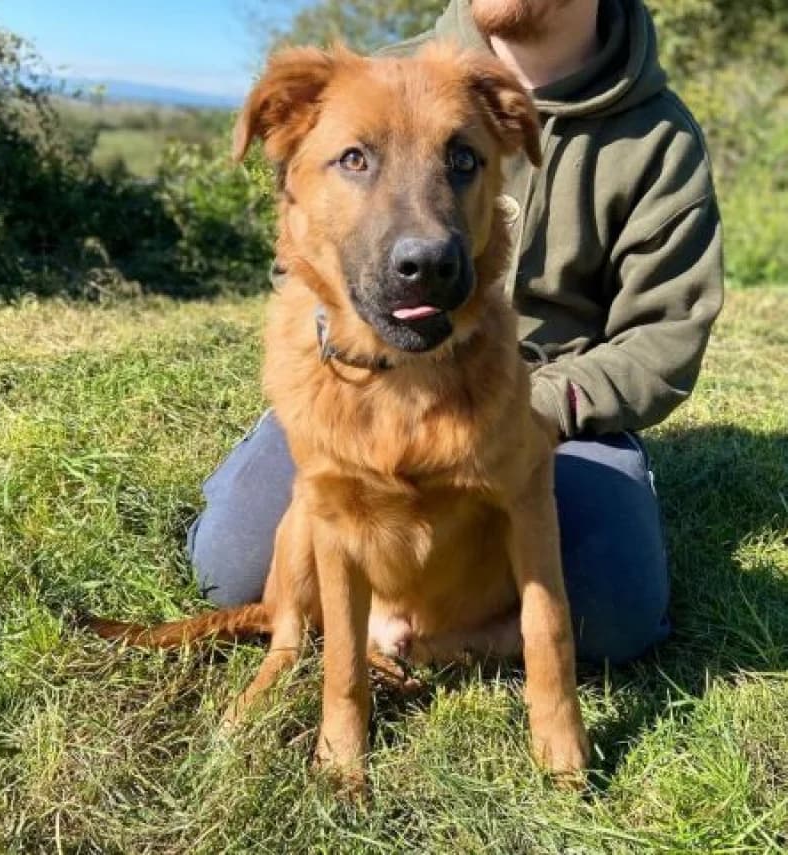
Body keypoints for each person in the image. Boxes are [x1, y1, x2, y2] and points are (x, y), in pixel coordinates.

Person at [187, 0, 723, 664]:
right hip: (367, 379)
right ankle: (388, 621)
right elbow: (300, 252)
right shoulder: (383, 80)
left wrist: (535, 405)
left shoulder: (658, 139)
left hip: (541, 408)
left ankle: (427, 636)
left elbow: (664, 339)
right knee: (225, 564)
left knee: (616, 613)